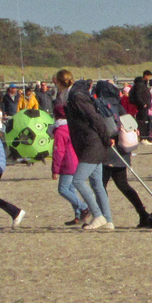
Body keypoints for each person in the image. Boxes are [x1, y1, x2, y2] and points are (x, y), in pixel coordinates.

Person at [95, 80, 152, 229]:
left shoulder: (103, 107)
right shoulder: (119, 106)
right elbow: (131, 126)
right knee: (122, 185)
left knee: (100, 186)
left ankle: (103, 217)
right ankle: (142, 213)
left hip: (110, 151)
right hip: (123, 151)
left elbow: (108, 129)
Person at [62, 74, 115, 232]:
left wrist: (106, 139)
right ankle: (108, 220)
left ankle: (98, 215)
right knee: (97, 184)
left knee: (78, 181)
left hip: (93, 144)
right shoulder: (76, 95)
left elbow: (94, 118)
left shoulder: (76, 97)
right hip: (93, 143)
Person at [50, 110, 89, 225]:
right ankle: (78, 215)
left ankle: (84, 207)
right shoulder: (72, 127)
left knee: (63, 189)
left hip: (68, 163)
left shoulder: (60, 131)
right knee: (71, 189)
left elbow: (59, 151)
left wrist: (55, 169)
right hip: (76, 160)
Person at [129, 70, 152, 141]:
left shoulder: (144, 83)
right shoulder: (140, 84)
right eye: (149, 76)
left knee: (144, 122)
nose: (149, 78)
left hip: (144, 106)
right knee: (142, 122)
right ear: (146, 75)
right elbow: (138, 95)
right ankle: (143, 137)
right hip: (141, 107)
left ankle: (144, 137)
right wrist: (143, 104)